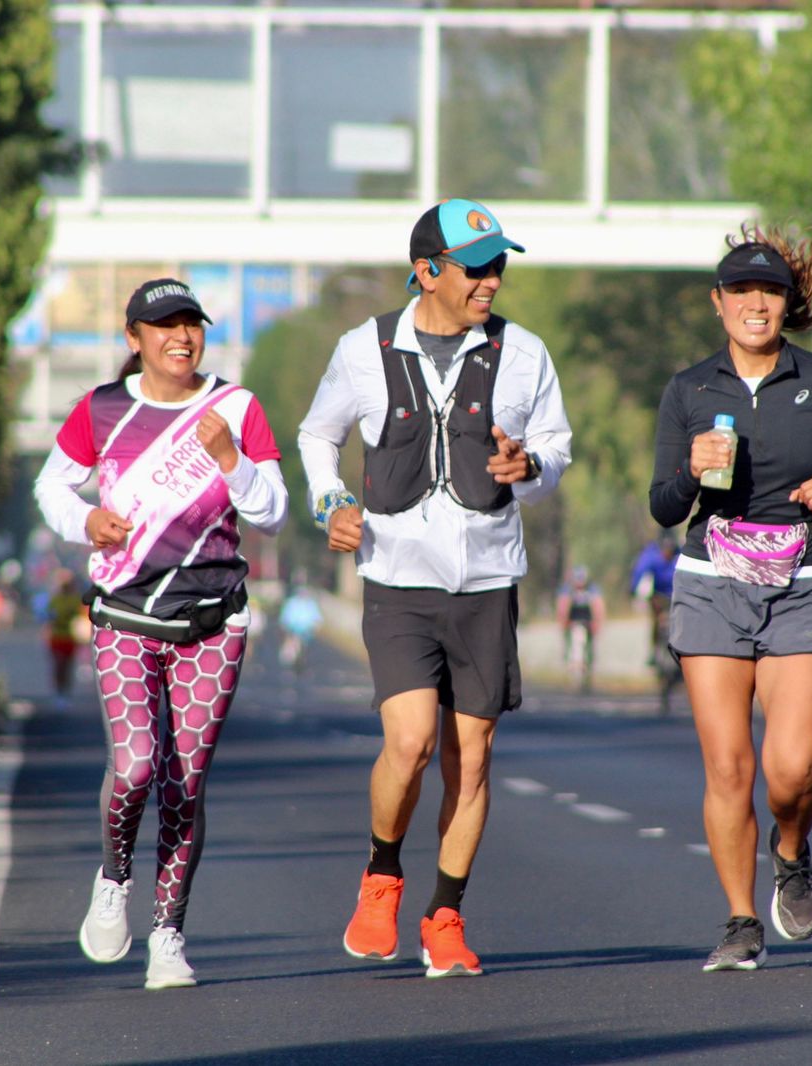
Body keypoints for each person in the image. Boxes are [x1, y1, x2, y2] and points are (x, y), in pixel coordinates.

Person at [297, 197, 571, 978]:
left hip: (487, 579)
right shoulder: (364, 349)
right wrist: (331, 501)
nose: (493, 281)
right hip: (397, 577)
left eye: (499, 267)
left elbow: (555, 448)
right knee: (411, 741)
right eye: (478, 269)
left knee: (471, 757)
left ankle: (445, 915)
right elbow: (319, 434)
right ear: (428, 271)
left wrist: (532, 470)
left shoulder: (524, 354)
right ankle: (382, 874)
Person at [648, 226, 812, 972]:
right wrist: (693, 472)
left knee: (794, 771)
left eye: (772, 292)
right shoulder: (689, 389)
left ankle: (791, 850)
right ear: (718, 302)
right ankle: (740, 919)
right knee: (729, 769)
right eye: (743, 291)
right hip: (712, 583)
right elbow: (664, 506)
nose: (758, 304)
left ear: (788, 304)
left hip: (802, 585)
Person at [33, 277, 289, 990]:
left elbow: (272, 512)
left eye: (191, 324)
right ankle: (114, 876)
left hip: (213, 622)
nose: (181, 336)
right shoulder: (105, 409)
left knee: (184, 783)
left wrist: (230, 460)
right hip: (124, 614)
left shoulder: (234, 407)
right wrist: (83, 521)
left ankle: (168, 936)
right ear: (134, 339)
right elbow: (53, 485)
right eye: (165, 325)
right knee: (139, 764)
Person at [629, 533, 679, 664]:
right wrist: (636, 590)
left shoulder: (677, 560)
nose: (667, 553)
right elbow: (641, 576)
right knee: (657, 622)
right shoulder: (654, 560)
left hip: (675, 596)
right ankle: (654, 650)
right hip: (658, 597)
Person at [554, 565, 605, 692]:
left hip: (587, 619)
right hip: (572, 619)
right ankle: (569, 664)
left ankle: (589, 670)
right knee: (569, 642)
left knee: (590, 647)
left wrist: (597, 623)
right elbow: (562, 606)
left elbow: (598, 606)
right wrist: (564, 622)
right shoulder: (567, 589)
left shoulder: (592, 589)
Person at [45, 568, 86, 708]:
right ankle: (58, 692)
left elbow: (81, 617)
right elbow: (48, 618)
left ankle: (65, 693)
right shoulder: (55, 599)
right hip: (56, 637)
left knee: (67, 666)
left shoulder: (76, 600)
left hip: (70, 637)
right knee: (58, 665)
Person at [277, 577, 322, 672]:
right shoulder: (292, 602)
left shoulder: (310, 603)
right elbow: (285, 617)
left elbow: (316, 618)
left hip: (306, 631)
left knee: (303, 648)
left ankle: (301, 661)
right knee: (295, 647)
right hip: (293, 630)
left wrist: (315, 627)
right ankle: (297, 662)